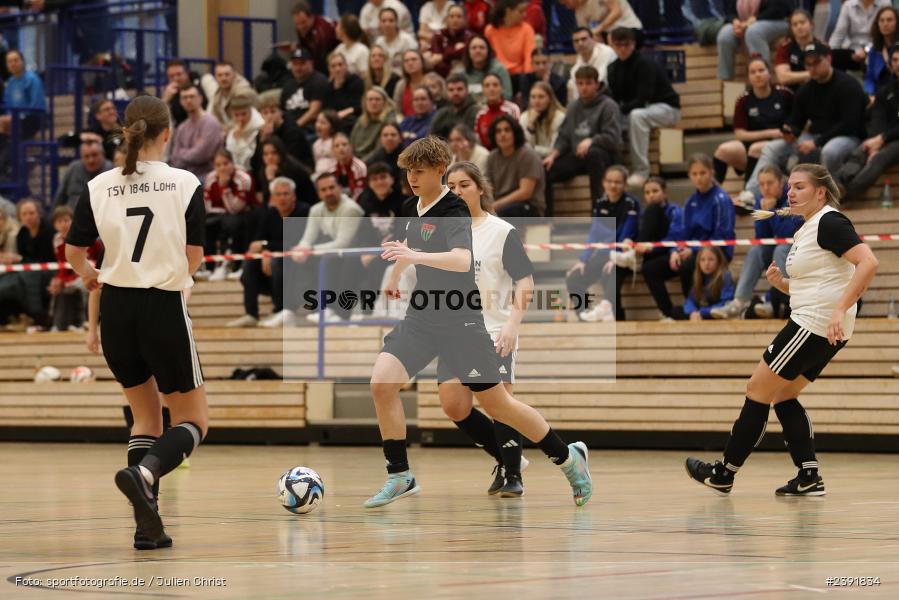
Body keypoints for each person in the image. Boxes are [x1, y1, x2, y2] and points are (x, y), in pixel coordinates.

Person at [365, 136, 592, 508]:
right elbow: (409, 246)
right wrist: (395, 275)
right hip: (423, 317)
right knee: (382, 383)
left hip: (461, 324)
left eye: (419, 171)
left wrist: (414, 254)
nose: (412, 178)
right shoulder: (412, 205)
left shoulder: (453, 210)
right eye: (408, 171)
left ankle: (568, 459)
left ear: (439, 171)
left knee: (499, 406)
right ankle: (400, 475)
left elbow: (459, 260)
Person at [64, 95, 210, 550]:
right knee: (192, 421)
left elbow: (73, 253)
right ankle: (145, 471)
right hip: (161, 305)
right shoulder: (184, 183)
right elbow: (195, 257)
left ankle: (147, 527)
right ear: (166, 132)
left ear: (127, 131)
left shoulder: (98, 185)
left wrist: (91, 278)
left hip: (116, 311)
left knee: (145, 418)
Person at [687, 163, 878, 496]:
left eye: (800, 186)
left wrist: (838, 308)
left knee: (757, 390)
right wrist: (783, 285)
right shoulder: (807, 228)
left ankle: (723, 473)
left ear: (820, 192)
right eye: (790, 186)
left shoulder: (830, 221)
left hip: (814, 323)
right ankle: (808, 476)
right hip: (824, 324)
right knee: (784, 395)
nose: (790, 192)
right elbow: (819, 283)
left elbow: (868, 262)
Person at [441, 160, 535, 496]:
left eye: (464, 184)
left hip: (494, 329)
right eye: (450, 186)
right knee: (454, 405)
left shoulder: (500, 231)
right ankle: (509, 457)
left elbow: (525, 281)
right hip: (455, 332)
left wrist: (512, 325)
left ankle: (513, 475)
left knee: (500, 405)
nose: (457, 191)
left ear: (480, 188)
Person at [746, 41, 868, 198]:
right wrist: (790, 130)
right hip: (814, 136)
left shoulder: (848, 84)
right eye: (808, 64)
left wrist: (817, 142)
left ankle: (832, 194)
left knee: (829, 152)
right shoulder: (806, 90)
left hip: (848, 136)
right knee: (772, 148)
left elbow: (850, 123)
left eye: (816, 62)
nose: (812, 68)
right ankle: (750, 194)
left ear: (829, 59)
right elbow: (797, 121)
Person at [641, 154, 735, 321]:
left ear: (711, 172)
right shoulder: (691, 201)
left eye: (702, 173)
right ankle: (669, 312)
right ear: (690, 176)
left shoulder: (721, 198)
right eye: (694, 174)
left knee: (686, 266)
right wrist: (674, 251)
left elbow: (722, 236)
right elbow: (681, 234)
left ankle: (694, 310)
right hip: (690, 251)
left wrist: (694, 250)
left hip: (717, 252)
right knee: (650, 268)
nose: (699, 178)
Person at [712, 165, 800, 320]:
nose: (765, 188)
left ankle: (781, 301)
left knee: (780, 249)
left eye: (770, 183)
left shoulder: (792, 199)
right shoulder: (761, 201)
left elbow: (788, 233)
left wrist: (772, 212)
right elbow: (762, 237)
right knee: (756, 250)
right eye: (762, 184)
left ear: (781, 183)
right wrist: (765, 213)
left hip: (798, 250)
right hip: (781, 249)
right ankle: (739, 301)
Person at [228, 177, 311, 328]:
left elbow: (295, 244)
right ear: (272, 197)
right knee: (251, 263)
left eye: (286, 194)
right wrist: (266, 250)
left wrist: (267, 248)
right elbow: (257, 242)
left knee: (277, 261)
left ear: (294, 196)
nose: (282, 198)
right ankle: (251, 314)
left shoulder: (303, 211)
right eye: (278, 194)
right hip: (273, 267)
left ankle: (280, 310)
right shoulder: (270, 214)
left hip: (298, 265)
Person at [330, 161, 406, 322]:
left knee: (376, 264)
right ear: (370, 183)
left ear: (392, 179)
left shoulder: (403, 201)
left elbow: (403, 231)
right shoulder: (365, 200)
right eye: (375, 179)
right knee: (350, 263)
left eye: (383, 177)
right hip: (373, 250)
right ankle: (342, 313)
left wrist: (378, 250)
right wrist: (367, 251)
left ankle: (368, 312)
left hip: (396, 251)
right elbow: (363, 231)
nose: (379, 182)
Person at [606, 27, 681, 187]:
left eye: (627, 45)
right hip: (638, 109)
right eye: (619, 45)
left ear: (633, 44)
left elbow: (642, 99)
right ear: (612, 46)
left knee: (636, 116)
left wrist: (619, 111)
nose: (623, 49)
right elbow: (615, 99)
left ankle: (641, 171)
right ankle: (615, 169)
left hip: (666, 109)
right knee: (611, 119)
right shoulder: (612, 69)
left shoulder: (645, 64)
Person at [544, 66, 623, 217]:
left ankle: (599, 214)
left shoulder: (608, 105)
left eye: (588, 83)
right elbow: (564, 136)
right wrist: (554, 154)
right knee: (546, 168)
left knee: (594, 154)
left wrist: (592, 140)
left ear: (597, 84)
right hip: (578, 157)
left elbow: (613, 138)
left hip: (604, 156)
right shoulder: (573, 107)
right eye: (580, 83)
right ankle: (548, 220)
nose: (583, 87)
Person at [566, 165, 639, 322]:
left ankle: (616, 319)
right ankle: (585, 316)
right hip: (603, 253)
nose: (613, 185)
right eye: (609, 181)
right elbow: (594, 233)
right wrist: (583, 259)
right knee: (574, 278)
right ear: (603, 183)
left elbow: (628, 231)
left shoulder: (631, 203)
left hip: (623, 255)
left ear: (625, 184)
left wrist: (616, 255)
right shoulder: (600, 204)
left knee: (610, 275)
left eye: (618, 182)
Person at [291, 172, 365, 326]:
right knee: (295, 260)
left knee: (328, 260)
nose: (328, 192)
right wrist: (300, 250)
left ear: (340, 188)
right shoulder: (316, 209)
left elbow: (343, 243)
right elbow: (307, 238)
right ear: (318, 193)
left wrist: (309, 250)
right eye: (323, 190)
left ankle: (332, 310)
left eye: (332, 187)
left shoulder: (351, 209)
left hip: (356, 254)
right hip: (336, 252)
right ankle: (292, 309)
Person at [712, 57, 792, 187]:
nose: (758, 75)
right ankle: (712, 194)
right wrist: (769, 132)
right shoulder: (743, 100)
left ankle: (748, 193)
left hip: (779, 144)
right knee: (723, 150)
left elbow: (795, 122)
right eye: (753, 72)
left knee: (756, 149)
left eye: (761, 70)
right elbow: (740, 134)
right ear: (748, 76)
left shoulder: (784, 94)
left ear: (769, 73)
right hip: (751, 146)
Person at [839, 44, 899, 202]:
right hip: (887, 138)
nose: (898, 63)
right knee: (862, 148)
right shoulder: (885, 91)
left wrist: (882, 140)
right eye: (895, 60)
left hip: (892, 139)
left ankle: (847, 192)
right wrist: (874, 142)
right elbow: (877, 119)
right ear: (890, 63)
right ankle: (840, 183)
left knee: (880, 158)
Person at [202, 149, 259, 282]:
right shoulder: (210, 178)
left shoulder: (243, 179)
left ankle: (230, 264)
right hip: (221, 215)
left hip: (246, 214)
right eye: (218, 165)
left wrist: (224, 187)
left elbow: (235, 208)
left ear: (232, 163)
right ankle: (209, 267)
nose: (222, 168)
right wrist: (223, 211)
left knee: (231, 223)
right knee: (205, 225)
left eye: (225, 163)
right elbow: (207, 207)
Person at [48, 206, 102, 331]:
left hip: (91, 272)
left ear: (73, 221)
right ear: (54, 225)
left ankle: (86, 322)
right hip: (72, 274)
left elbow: (99, 257)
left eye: (66, 220)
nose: (63, 225)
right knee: (55, 287)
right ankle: (55, 323)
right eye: (59, 221)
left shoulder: (85, 236)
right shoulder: (56, 240)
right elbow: (63, 264)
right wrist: (59, 279)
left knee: (83, 286)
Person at [485, 115, 546, 218]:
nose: (502, 134)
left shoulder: (527, 154)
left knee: (505, 213)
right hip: (501, 205)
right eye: (498, 131)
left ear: (515, 133)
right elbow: (488, 188)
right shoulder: (492, 156)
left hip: (529, 207)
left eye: (507, 130)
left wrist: (495, 205)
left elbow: (525, 192)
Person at [716, 0, 792, 81]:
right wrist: (735, 21)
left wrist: (754, 19)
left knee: (753, 32)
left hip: (777, 21)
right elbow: (730, 12)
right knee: (724, 35)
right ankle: (725, 81)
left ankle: (763, 78)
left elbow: (779, 9)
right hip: (745, 23)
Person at [170, 82, 223, 181]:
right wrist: (191, 151)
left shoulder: (210, 122)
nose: (188, 100)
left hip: (206, 176)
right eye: (184, 97)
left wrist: (182, 152)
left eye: (192, 96)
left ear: (200, 98)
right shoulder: (182, 127)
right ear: (180, 102)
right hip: (185, 176)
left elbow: (202, 155)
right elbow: (174, 159)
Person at [254, 89, 315, 173]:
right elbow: (256, 162)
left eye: (273, 112)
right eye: (265, 113)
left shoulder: (292, 131)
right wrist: (263, 140)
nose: (269, 116)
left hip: (300, 168)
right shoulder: (262, 130)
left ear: (280, 112)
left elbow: (289, 158)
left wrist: (270, 139)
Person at [829, 0, 890, 72]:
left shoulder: (885, 3)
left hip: (876, 47)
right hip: (853, 50)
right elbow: (838, 34)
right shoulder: (848, 5)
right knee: (833, 56)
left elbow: (884, 35)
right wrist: (828, 52)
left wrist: (866, 50)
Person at [256, 137, 317, 207]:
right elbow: (267, 202)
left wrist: (271, 180)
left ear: (281, 153)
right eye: (265, 154)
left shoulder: (294, 170)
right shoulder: (264, 171)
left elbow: (286, 199)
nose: (270, 157)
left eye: (274, 153)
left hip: (302, 210)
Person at [484, 0, 537, 79]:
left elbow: (529, 58)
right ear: (508, 12)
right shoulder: (490, 30)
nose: (525, 15)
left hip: (520, 76)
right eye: (521, 11)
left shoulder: (527, 30)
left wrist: (527, 78)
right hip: (496, 76)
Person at [281, 48, 329, 133]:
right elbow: (282, 111)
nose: (298, 67)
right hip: (290, 128)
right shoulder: (288, 85)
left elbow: (314, 112)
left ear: (311, 63)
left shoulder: (319, 81)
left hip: (309, 128)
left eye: (302, 63)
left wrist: (294, 128)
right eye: (295, 64)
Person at [54, 141, 113, 210]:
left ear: (103, 155)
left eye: (94, 155)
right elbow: (60, 196)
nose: (91, 160)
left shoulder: (111, 170)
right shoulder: (73, 168)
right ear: (81, 157)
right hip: (72, 217)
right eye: (86, 156)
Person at [683, 247, 735, 321]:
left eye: (711, 259)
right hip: (702, 313)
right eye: (702, 260)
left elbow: (726, 303)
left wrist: (702, 312)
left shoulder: (725, 277)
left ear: (718, 261)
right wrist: (693, 311)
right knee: (677, 311)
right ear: (698, 263)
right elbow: (690, 300)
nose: (706, 263)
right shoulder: (698, 277)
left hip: (720, 314)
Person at [774, 9, 821, 92]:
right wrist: (812, 74)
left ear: (812, 24)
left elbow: (824, 74)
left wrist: (794, 76)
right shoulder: (784, 48)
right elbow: (783, 78)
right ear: (791, 28)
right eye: (795, 24)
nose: (799, 27)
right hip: (792, 93)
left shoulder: (822, 47)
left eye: (802, 22)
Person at [566, 27, 616, 104]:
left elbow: (600, 82)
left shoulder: (606, 52)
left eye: (584, 39)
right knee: (571, 85)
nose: (580, 43)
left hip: (609, 99)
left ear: (593, 39)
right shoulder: (576, 67)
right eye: (576, 41)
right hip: (587, 103)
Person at [559, 0, 643, 43]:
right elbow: (585, 32)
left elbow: (617, 12)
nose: (567, 7)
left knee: (609, 36)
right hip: (607, 35)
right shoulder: (578, 11)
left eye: (566, 2)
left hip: (630, 28)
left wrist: (597, 30)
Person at [519, 81, 565, 159]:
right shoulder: (524, 117)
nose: (536, 101)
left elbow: (554, 150)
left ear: (550, 99)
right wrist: (530, 127)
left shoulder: (559, 117)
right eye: (533, 97)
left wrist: (532, 149)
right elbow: (522, 147)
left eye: (541, 97)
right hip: (531, 159)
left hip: (554, 160)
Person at [426, 4, 475, 77]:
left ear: (465, 19)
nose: (455, 20)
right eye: (451, 16)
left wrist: (443, 56)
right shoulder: (438, 36)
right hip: (442, 75)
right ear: (446, 19)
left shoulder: (471, 36)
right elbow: (436, 59)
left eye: (459, 17)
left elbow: (468, 54)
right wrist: (457, 51)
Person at [474, 73, 521, 148]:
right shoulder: (480, 114)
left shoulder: (512, 109)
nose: (491, 89)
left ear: (502, 88)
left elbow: (518, 137)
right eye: (487, 86)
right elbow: (478, 142)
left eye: (495, 85)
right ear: (483, 90)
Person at [316, 132, 368, 199]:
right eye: (337, 146)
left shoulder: (359, 167)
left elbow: (359, 192)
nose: (341, 148)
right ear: (333, 150)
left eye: (344, 144)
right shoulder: (331, 168)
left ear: (351, 147)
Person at [291, 0, 338, 74]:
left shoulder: (322, 32)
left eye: (303, 22)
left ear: (311, 17)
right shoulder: (301, 29)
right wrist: (297, 48)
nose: (300, 27)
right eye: (297, 24)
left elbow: (320, 61)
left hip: (330, 59)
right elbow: (305, 49)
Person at [462, 35, 514, 101]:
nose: (478, 51)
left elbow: (507, 95)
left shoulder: (499, 70)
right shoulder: (461, 74)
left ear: (488, 51)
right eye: (474, 48)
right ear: (468, 52)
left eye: (482, 48)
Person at [352, 87, 398, 162]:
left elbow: (379, 150)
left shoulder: (389, 122)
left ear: (384, 102)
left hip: (375, 162)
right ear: (365, 103)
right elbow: (351, 143)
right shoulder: (361, 120)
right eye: (370, 99)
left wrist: (361, 163)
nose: (373, 102)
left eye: (377, 99)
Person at [224, 90, 264, 172]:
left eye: (243, 114)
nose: (240, 118)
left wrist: (239, 139)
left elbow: (249, 161)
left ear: (250, 111)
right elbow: (230, 154)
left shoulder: (260, 128)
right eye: (236, 115)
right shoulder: (233, 130)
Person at [430, 74, 480, 139]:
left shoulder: (476, 112)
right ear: (446, 92)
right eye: (451, 90)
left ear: (467, 90)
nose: (455, 93)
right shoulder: (442, 113)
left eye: (459, 89)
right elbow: (430, 138)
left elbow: (470, 139)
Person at [324, 52, 365, 133]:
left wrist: (344, 113)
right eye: (333, 66)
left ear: (346, 66)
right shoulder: (328, 87)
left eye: (340, 65)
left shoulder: (356, 81)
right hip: (334, 123)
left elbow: (360, 106)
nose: (337, 69)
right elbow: (327, 109)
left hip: (353, 121)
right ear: (329, 69)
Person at [207, 61, 253, 129]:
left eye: (227, 74)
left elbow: (241, 119)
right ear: (215, 77)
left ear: (234, 75)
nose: (223, 78)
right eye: (220, 75)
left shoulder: (243, 92)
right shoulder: (218, 94)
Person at [864, 7, 899, 96]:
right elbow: (869, 78)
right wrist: (871, 94)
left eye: (889, 20)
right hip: (879, 95)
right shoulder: (874, 49)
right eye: (881, 21)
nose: (885, 24)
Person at [375, 7, 419, 75]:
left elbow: (416, 65)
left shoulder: (407, 40)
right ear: (379, 24)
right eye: (383, 21)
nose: (387, 24)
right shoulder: (378, 42)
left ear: (396, 22)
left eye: (391, 20)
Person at [161, 59, 202, 128]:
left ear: (187, 74)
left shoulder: (199, 86)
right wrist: (165, 99)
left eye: (179, 74)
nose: (176, 78)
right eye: (171, 76)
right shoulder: (170, 92)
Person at [366, 122, 405, 187]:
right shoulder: (375, 157)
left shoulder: (407, 157)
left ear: (400, 138)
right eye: (385, 135)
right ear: (380, 139)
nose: (389, 138)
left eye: (393, 135)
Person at [393, 50, 429, 117]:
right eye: (406, 61)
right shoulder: (400, 85)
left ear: (422, 62)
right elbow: (397, 111)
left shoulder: (432, 81)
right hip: (407, 124)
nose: (410, 63)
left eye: (414, 59)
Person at [313, 110, 340, 175]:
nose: (318, 125)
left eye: (323, 123)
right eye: (317, 121)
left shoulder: (337, 141)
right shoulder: (316, 144)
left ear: (332, 127)